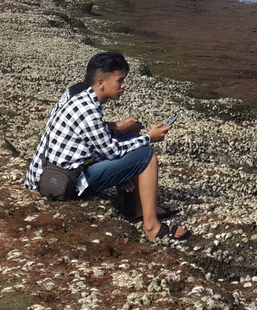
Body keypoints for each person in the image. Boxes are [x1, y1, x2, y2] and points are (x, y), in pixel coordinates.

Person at [23, 51, 188, 240]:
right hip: (65, 183)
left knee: (131, 138)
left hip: (49, 173)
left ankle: (135, 207)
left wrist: (121, 160)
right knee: (146, 156)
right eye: (119, 81)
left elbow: (90, 142)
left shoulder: (78, 95)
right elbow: (112, 151)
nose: (124, 86)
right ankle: (152, 228)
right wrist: (150, 137)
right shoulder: (89, 111)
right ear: (101, 83)